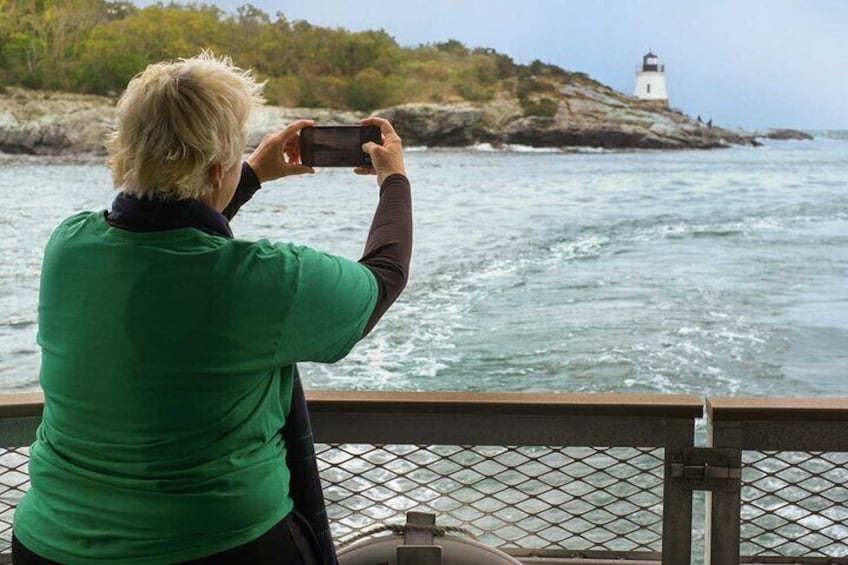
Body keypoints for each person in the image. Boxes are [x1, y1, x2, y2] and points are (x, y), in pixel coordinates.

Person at [12, 52, 412, 564]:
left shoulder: (67, 245)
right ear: (218, 166)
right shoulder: (268, 279)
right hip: (219, 546)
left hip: (49, 547)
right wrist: (394, 181)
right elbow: (382, 278)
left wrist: (249, 176)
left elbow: (165, 229)